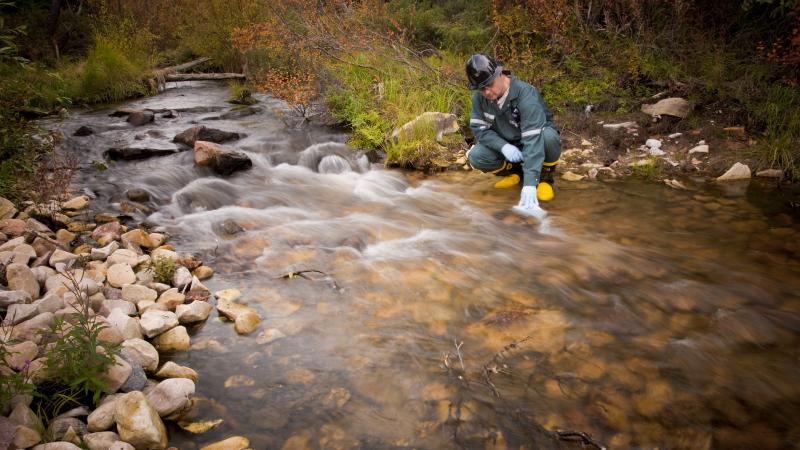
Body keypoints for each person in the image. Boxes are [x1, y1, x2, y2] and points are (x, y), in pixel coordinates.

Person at [465, 54, 561, 210]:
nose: (487, 92)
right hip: (510, 144)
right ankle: (515, 172)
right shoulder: (480, 99)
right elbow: (479, 129)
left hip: (535, 140)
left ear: (500, 74)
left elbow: (532, 138)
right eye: (481, 88)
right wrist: (503, 146)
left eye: (489, 84)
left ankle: (544, 177)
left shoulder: (526, 94)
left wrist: (530, 184)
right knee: (476, 156)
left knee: (548, 137)